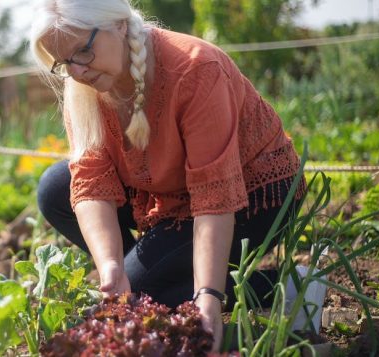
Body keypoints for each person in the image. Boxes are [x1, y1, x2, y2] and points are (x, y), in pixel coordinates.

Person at [29, 0, 306, 352]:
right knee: (56, 188)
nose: (78, 72)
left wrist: (208, 296)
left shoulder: (195, 68)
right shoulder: (84, 85)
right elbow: (91, 178)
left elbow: (213, 197)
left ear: (119, 25)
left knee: (149, 292)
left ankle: (285, 285)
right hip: (173, 194)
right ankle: (149, 281)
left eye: (83, 52)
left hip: (255, 194)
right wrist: (112, 266)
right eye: (64, 63)